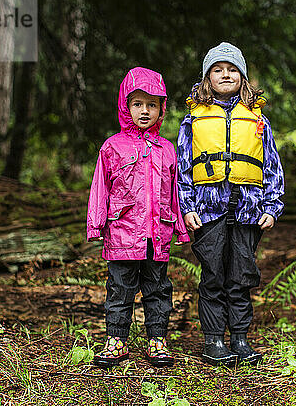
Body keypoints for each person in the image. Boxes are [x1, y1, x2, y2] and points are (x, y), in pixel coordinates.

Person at [177, 42, 284, 366]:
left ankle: (239, 337)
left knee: (241, 275)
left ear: (243, 77)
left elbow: (271, 166)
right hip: (208, 209)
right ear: (207, 78)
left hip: (248, 209)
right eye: (218, 70)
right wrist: (188, 206)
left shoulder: (256, 119)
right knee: (212, 275)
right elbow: (182, 167)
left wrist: (271, 207)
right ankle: (213, 340)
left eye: (232, 69)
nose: (226, 75)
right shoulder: (192, 119)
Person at [86, 67, 189, 368]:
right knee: (120, 289)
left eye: (152, 104)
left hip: (157, 235)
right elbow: (100, 187)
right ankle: (116, 340)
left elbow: (176, 192)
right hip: (121, 235)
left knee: (158, 288)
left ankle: (157, 339)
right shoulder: (112, 147)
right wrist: (96, 224)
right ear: (125, 106)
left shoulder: (168, 149)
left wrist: (180, 228)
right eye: (137, 104)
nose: (145, 111)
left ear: (162, 108)